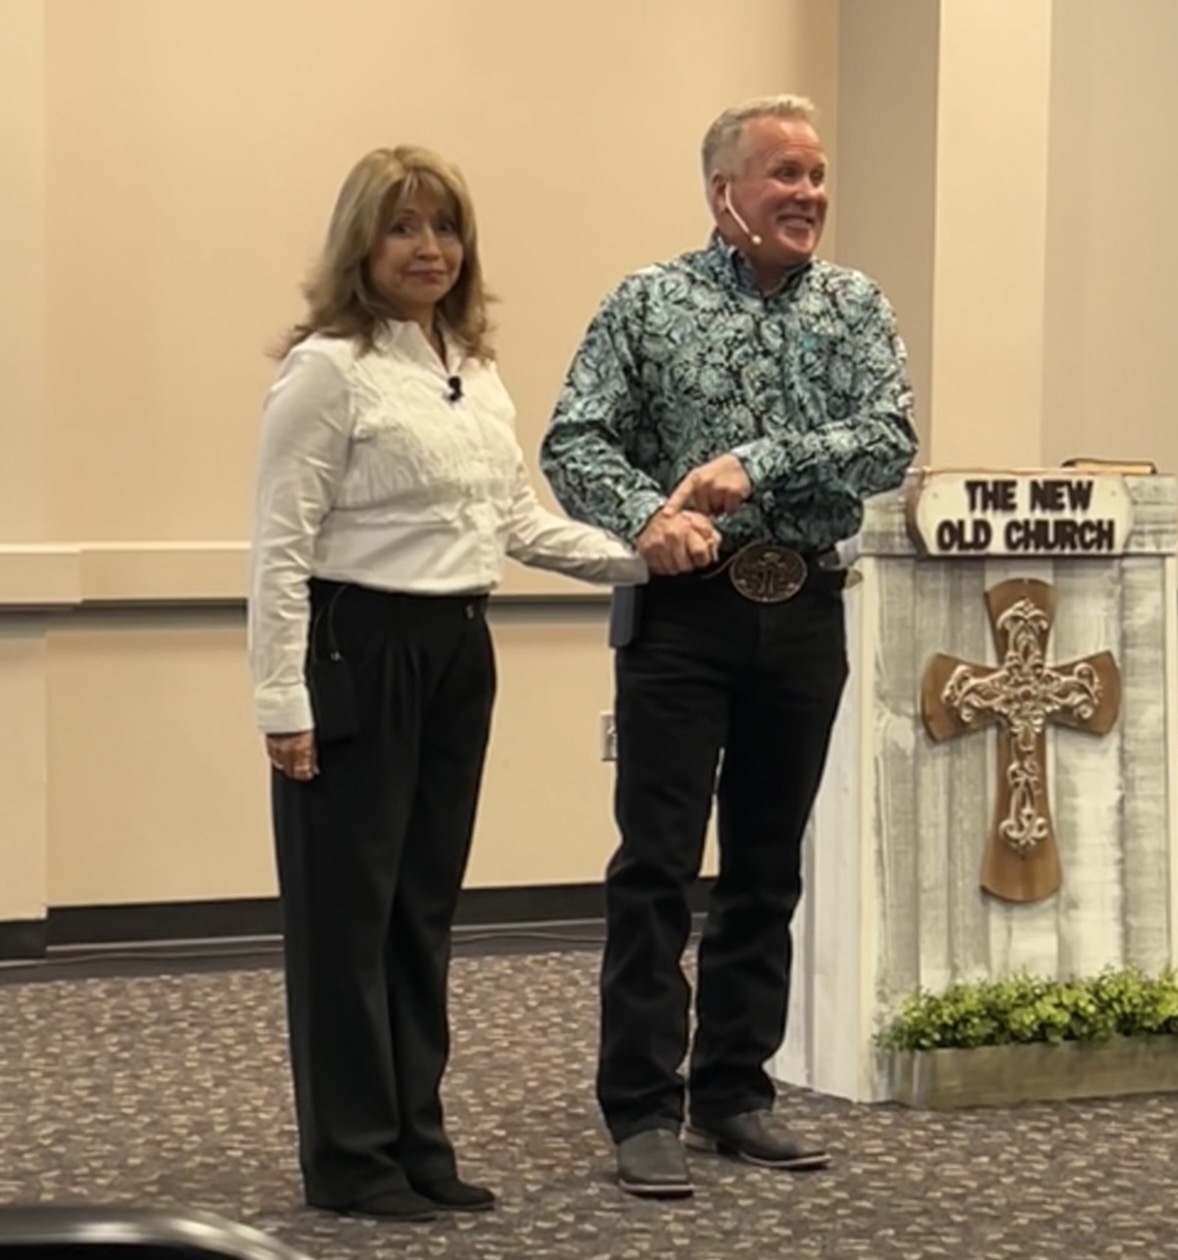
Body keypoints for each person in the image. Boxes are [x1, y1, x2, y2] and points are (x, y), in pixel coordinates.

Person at [246, 144, 714, 1223]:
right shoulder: (328, 369)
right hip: (356, 646)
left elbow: (513, 523)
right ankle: (351, 1157)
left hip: (458, 650)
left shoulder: (470, 368)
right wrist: (282, 703)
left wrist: (643, 554)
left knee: (421, 909)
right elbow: (279, 548)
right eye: (404, 227)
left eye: (446, 227)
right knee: (346, 920)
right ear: (361, 243)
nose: (430, 249)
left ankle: (417, 1139)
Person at [539, 94, 918, 1198]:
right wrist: (645, 518)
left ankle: (734, 1094)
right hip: (685, 616)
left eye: (816, 174)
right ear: (724, 192)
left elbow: (889, 439)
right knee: (656, 866)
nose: (808, 193)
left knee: (765, 867)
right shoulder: (648, 302)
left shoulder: (853, 305)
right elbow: (573, 439)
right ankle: (640, 1107)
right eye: (783, 174)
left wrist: (760, 462)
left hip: (802, 610)